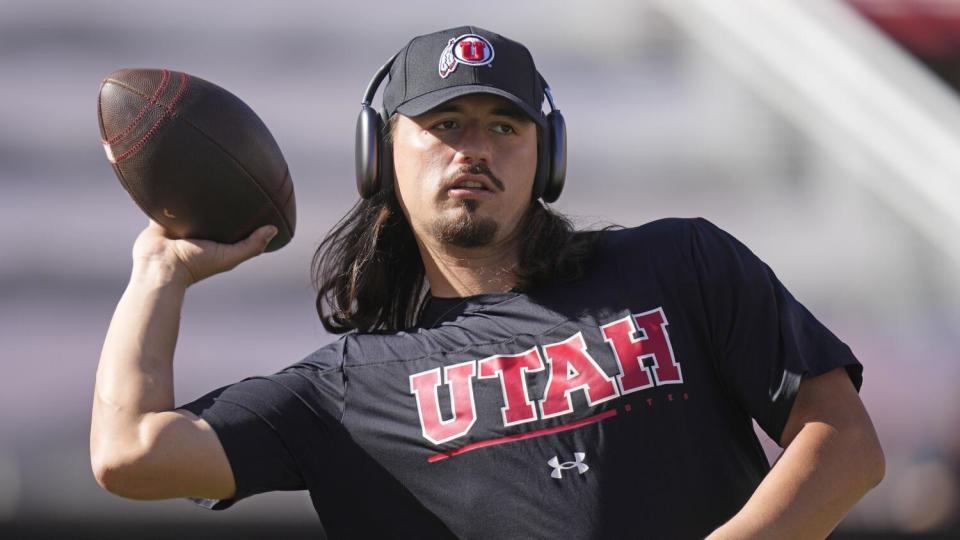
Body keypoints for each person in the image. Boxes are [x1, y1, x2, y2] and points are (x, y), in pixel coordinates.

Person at [91, 26, 885, 539]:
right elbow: (130, 454)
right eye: (443, 126)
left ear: (550, 157)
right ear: (379, 157)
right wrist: (159, 273)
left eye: (504, 127)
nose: (473, 149)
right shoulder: (346, 390)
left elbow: (844, 441)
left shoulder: (680, 265)